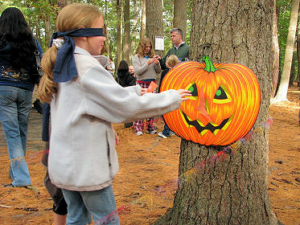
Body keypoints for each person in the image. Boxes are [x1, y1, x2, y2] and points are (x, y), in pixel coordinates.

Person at [37, 3, 190, 224]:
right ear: (83, 32)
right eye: (101, 31)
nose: (104, 39)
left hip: (66, 165)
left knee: (77, 218)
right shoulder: (87, 68)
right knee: (107, 220)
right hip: (86, 167)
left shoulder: (66, 62)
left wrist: (138, 90)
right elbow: (125, 107)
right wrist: (172, 97)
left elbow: (95, 100)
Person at [0, 7, 43, 187]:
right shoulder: (32, 41)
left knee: (12, 133)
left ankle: (21, 177)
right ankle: (16, 170)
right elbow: (41, 62)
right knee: (21, 130)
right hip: (26, 89)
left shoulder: (1, 39)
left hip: (4, 89)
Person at [132, 37, 162, 136]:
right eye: (146, 47)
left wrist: (157, 64)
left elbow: (158, 71)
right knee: (140, 105)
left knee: (151, 106)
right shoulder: (136, 57)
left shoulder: (152, 56)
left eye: (149, 47)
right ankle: (138, 127)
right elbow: (138, 71)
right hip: (141, 83)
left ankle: (150, 127)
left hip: (152, 83)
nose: (148, 49)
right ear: (142, 46)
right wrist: (147, 63)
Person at [158, 55, 180, 138]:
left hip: (167, 95)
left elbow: (162, 84)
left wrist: (159, 94)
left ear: (168, 63)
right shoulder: (178, 73)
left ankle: (166, 132)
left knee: (166, 114)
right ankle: (172, 130)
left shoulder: (166, 72)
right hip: (175, 95)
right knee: (172, 113)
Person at [116, 60, 136, 128]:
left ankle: (125, 121)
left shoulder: (118, 74)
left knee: (124, 107)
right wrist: (133, 77)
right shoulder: (127, 74)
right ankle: (129, 122)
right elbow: (130, 83)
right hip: (128, 92)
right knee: (129, 107)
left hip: (121, 91)